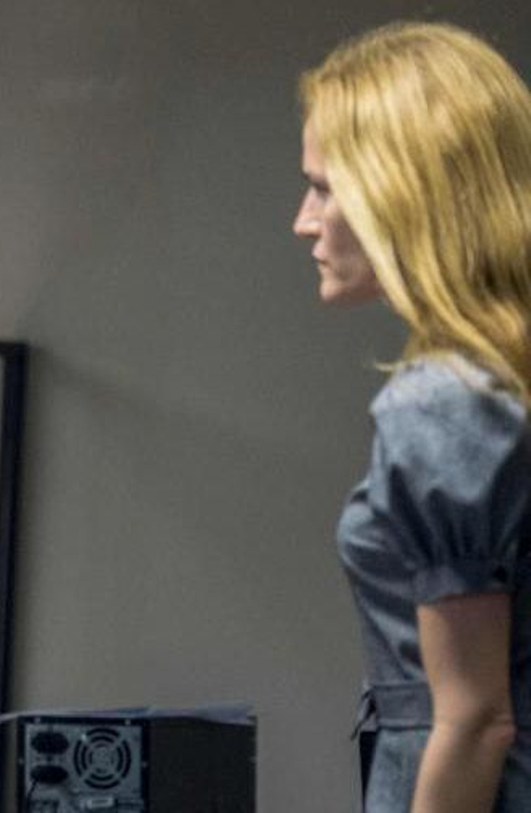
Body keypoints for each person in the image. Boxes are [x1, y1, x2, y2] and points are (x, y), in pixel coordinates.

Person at [294, 22, 531, 812]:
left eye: (325, 188)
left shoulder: (442, 402)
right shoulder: (502, 378)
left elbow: (475, 720)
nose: (305, 220)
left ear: (404, 192)